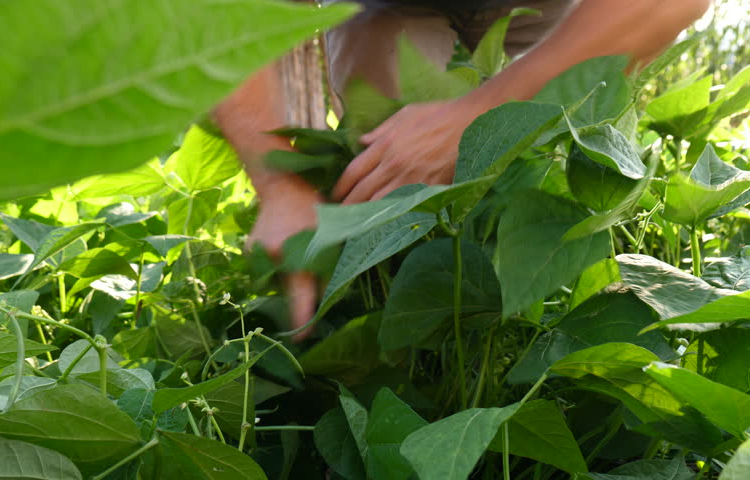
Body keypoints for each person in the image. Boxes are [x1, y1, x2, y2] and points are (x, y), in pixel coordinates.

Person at [213, 0, 712, 336]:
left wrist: (480, 118)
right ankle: (395, 318)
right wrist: (279, 185)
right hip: (388, 7)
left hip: (546, 10)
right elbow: (215, 16)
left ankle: (512, 317)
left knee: (549, 148)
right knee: (382, 153)